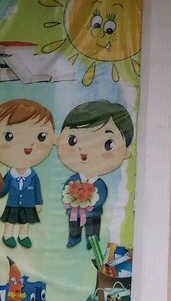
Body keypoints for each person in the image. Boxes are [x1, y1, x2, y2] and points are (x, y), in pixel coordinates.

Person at [0, 99, 55, 249]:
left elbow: (37, 190)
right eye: (9, 136)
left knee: (25, 221)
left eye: (41, 136)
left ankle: (23, 235)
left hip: (29, 204)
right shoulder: (10, 176)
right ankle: (7, 235)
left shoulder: (33, 176)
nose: (27, 144)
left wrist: (38, 202)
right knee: (10, 220)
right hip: (12, 204)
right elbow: (1, 191)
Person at [57, 100, 134, 249]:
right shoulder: (73, 179)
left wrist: (91, 202)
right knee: (74, 226)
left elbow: (102, 195)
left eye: (108, 144)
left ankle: (91, 242)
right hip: (74, 211)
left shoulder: (99, 183)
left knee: (93, 228)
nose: (85, 150)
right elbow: (66, 190)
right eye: (73, 140)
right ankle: (74, 239)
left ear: (125, 151)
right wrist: (71, 200)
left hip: (94, 212)